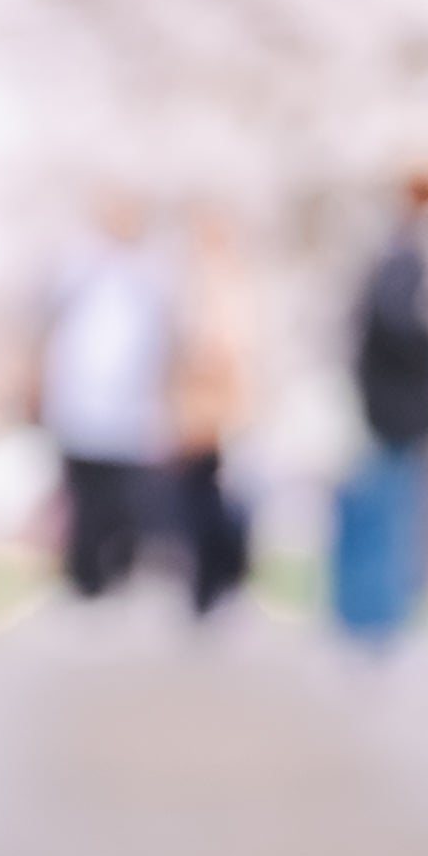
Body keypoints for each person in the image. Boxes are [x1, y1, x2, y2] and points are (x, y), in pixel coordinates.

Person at [328, 171, 428, 650]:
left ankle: (363, 628)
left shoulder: (386, 250)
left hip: (383, 406)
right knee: (392, 520)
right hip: (396, 411)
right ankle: (380, 634)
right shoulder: (405, 255)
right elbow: (396, 322)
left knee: (378, 516)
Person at [36, 191, 179, 600]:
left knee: (126, 503)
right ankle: (84, 583)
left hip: (131, 412)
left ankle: (119, 577)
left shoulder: (151, 274)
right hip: (79, 407)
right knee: (84, 500)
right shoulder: (79, 268)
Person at [158, 209, 259, 621]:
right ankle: (205, 590)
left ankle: (220, 587)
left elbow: (222, 353)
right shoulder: (192, 286)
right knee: (197, 502)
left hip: (215, 416)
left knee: (213, 503)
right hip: (198, 414)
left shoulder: (226, 287)